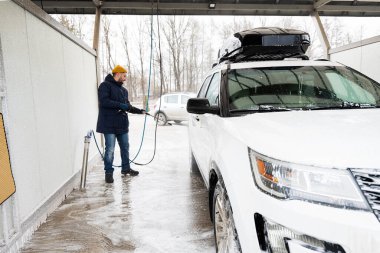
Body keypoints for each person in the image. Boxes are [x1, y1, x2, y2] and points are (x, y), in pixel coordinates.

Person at [96, 65, 145, 183]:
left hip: (122, 124)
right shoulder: (105, 86)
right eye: (124, 75)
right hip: (109, 124)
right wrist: (119, 105)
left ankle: (126, 169)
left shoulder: (124, 91)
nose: (125, 78)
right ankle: (108, 172)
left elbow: (127, 106)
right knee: (110, 149)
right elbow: (104, 101)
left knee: (125, 147)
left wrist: (140, 111)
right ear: (117, 73)